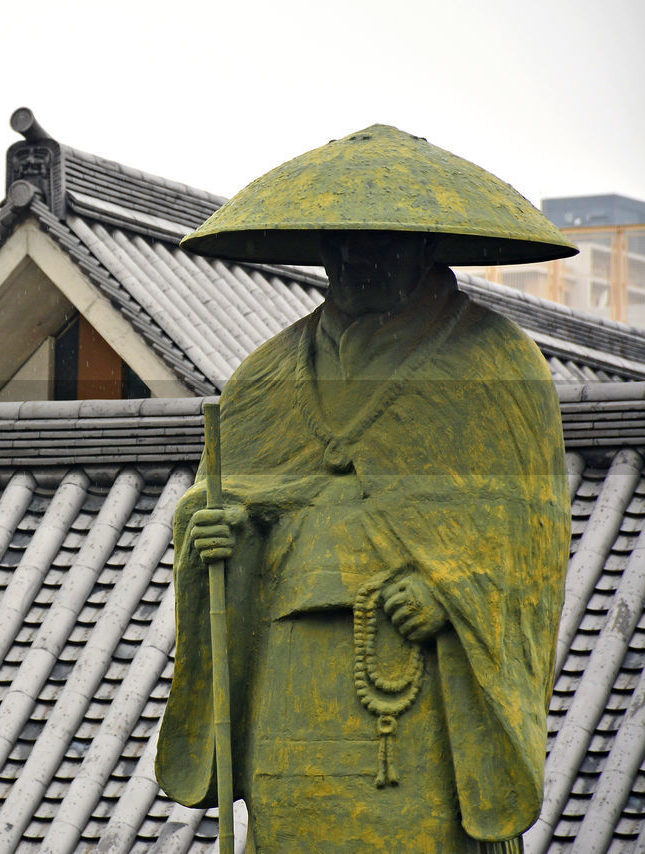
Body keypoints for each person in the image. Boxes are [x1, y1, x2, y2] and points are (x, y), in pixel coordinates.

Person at [156, 126, 574, 853]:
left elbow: (528, 538)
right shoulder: (265, 375)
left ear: (425, 246)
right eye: (338, 243)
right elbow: (220, 499)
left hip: (415, 677)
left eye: (376, 241)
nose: (354, 259)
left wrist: (452, 587)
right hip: (289, 670)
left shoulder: (496, 364)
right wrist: (212, 530)